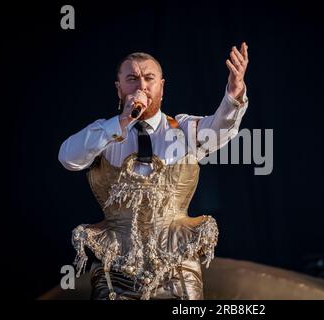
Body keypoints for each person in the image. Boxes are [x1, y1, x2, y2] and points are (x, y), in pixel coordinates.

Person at [58, 42, 249, 300]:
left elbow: (219, 130)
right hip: (115, 271)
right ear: (119, 89)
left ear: (162, 86)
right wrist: (121, 123)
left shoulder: (182, 130)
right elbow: (68, 158)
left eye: (149, 78)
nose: (141, 86)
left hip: (177, 269)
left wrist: (233, 95)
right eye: (132, 79)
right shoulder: (103, 133)